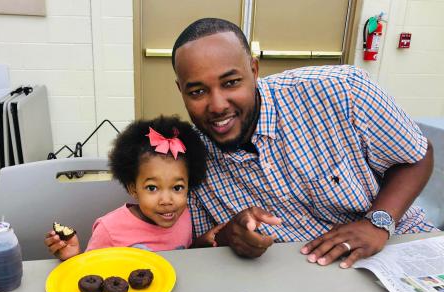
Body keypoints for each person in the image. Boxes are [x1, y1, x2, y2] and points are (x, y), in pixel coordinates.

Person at [171, 18, 436, 268]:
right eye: (197, 91)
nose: (217, 105)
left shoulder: (342, 90)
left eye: (231, 83)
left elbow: (418, 156)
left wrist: (378, 223)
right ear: (180, 91)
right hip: (297, 281)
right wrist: (228, 237)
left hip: (398, 244)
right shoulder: (188, 160)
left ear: (254, 71)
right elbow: (199, 250)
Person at [44, 116, 223, 260]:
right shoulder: (109, 230)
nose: (167, 201)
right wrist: (72, 258)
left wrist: (200, 244)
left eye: (177, 187)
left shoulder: (184, 215)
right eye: (152, 188)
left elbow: (180, 257)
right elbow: (90, 273)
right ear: (133, 188)